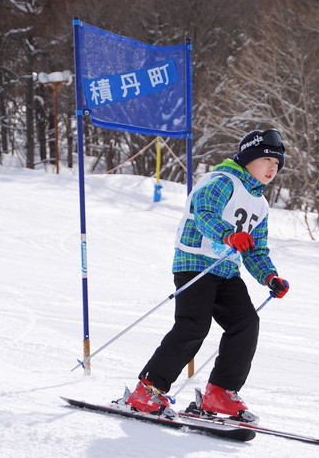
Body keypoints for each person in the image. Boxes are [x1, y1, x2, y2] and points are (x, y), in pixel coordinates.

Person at [123, 129, 291, 422]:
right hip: (194, 262)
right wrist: (229, 235)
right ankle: (148, 389)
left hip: (226, 270)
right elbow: (205, 213)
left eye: (277, 164)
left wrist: (269, 277)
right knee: (193, 326)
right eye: (267, 160)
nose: (272, 168)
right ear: (249, 159)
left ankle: (220, 393)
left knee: (246, 323)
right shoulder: (222, 181)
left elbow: (256, 249)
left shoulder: (260, 204)